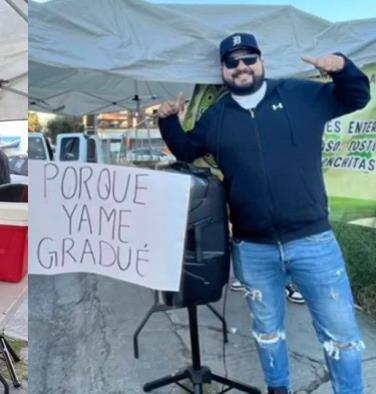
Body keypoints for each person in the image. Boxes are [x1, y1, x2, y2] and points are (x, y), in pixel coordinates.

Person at [157, 33, 370, 394]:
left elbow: (356, 96)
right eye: (232, 61)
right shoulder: (216, 117)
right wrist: (168, 121)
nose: (241, 66)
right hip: (253, 249)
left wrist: (343, 68)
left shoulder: (301, 95)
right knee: (268, 332)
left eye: (249, 58)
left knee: (342, 337)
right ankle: (278, 389)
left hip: (313, 242)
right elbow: (187, 151)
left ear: (262, 62)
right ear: (223, 70)